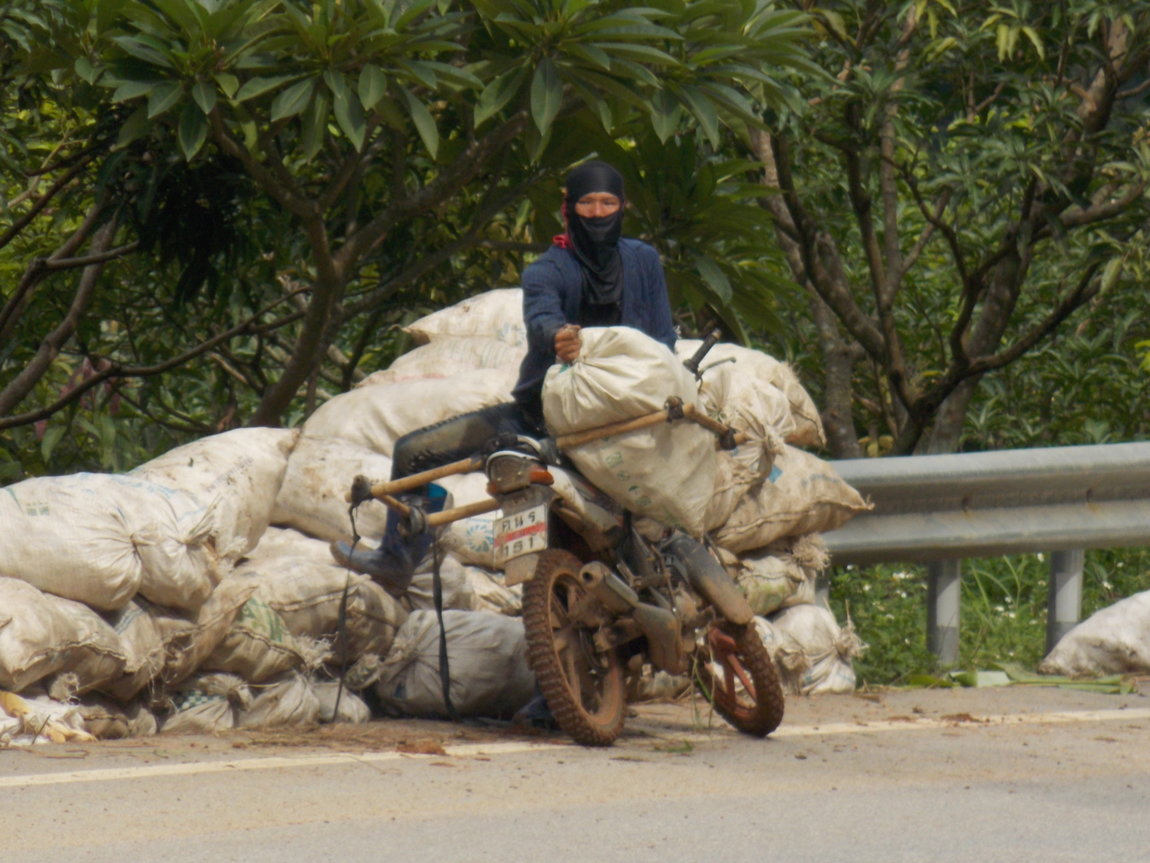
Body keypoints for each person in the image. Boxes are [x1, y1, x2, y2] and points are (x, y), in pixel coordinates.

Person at [332, 159, 677, 590]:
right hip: (541, 419)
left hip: (626, 421)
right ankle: (397, 558)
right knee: (411, 453)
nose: (597, 213)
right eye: (587, 203)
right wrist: (558, 337)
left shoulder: (643, 262)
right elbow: (541, 318)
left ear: (623, 206)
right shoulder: (547, 270)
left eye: (608, 203)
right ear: (567, 208)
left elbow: (663, 339)